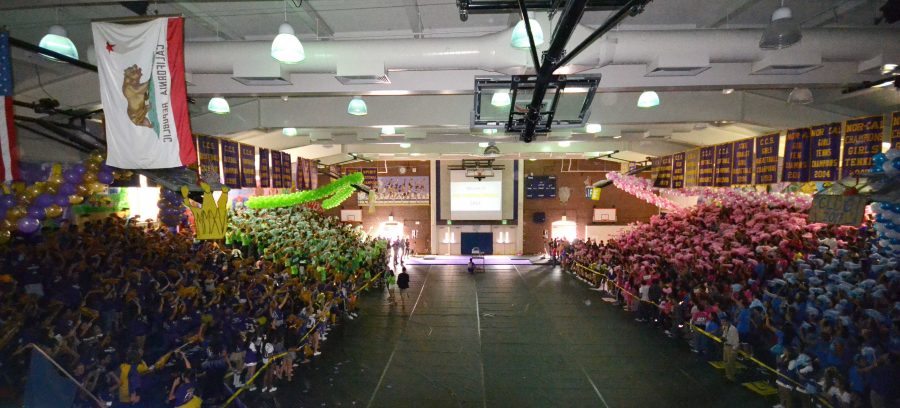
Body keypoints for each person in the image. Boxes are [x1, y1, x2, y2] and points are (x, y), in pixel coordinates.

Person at [722, 315, 740, 382]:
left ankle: (731, 377)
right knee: (726, 361)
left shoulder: (733, 329)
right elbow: (724, 335)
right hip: (726, 346)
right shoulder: (724, 327)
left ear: (727, 321)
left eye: (723, 321)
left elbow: (736, 341)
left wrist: (734, 349)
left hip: (732, 347)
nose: (722, 323)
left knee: (730, 363)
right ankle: (728, 375)